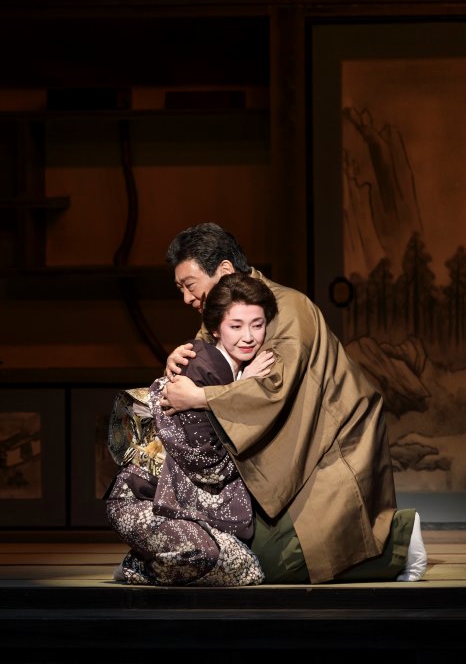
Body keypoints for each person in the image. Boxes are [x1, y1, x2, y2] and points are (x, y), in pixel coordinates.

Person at [161, 222, 428, 584]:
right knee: (231, 551)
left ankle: (398, 540)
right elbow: (209, 369)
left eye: (190, 285)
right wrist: (178, 363)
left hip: (330, 445)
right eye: (180, 289)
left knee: (266, 564)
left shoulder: (287, 309)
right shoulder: (221, 313)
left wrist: (201, 396)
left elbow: (274, 388)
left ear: (224, 270)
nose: (187, 299)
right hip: (289, 447)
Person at [106, 272, 278, 586]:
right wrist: (243, 387)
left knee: (244, 566)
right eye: (236, 326)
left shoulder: (234, 370)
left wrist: (241, 383)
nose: (249, 337)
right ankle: (137, 567)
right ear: (215, 329)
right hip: (141, 500)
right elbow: (207, 465)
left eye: (257, 325)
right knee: (214, 558)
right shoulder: (200, 366)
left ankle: (154, 558)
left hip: (177, 503)